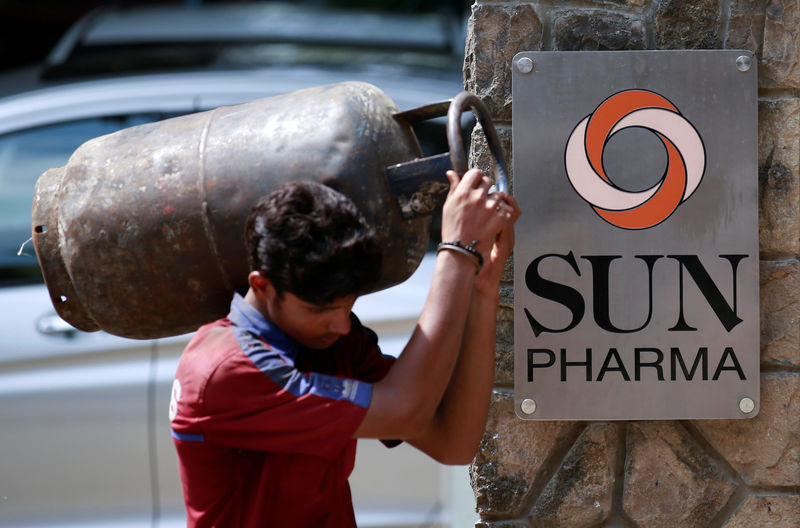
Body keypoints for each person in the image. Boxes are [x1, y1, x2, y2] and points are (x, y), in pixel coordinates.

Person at [169, 167, 521, 527]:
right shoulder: (227, 370)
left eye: (348, 306)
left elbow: (453, 441)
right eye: (319, 310)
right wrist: (457, 252)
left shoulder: (332, 342)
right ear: (261, 286)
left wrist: (482, 291)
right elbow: (405, 411)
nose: (341, 325)